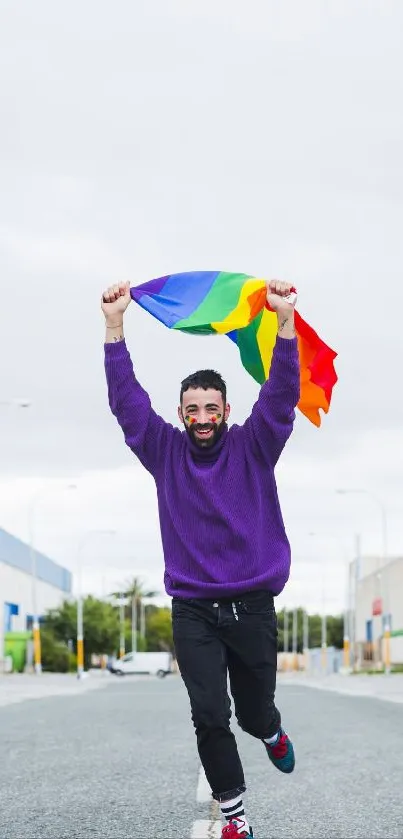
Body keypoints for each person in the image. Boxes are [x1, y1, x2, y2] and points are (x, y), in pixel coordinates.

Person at [102, 278, 300, 839]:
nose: (203, 415)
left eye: (212, 407)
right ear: (182, 414)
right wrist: (115, 325)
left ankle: (270, 730)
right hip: (193, 609)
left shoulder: (255, 444)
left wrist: (283, 319)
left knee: (254, 712)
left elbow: (282, 393)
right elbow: (126, 403)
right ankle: (234, 819)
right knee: (210, 713)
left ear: (227, 410)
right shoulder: (164, 451)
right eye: (193, 408)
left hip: (253, 604)